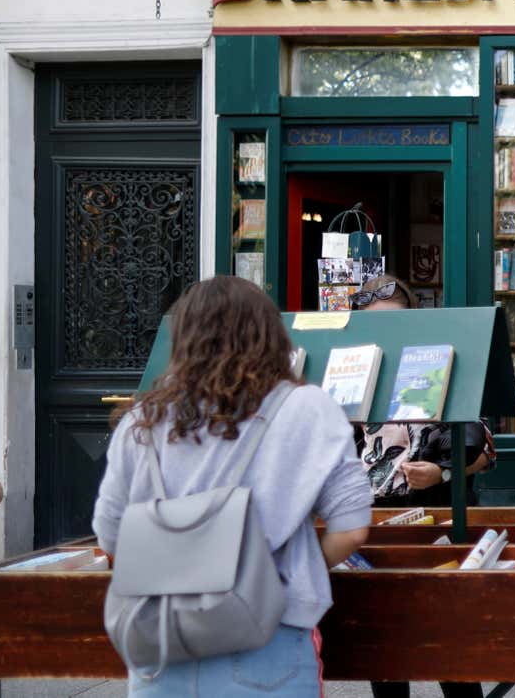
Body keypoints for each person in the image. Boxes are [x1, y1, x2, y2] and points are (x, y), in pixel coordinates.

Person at [92, 276, 372, 697]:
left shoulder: (141, 422)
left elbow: (110, 533)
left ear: (183, 340)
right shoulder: (307, 408)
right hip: (267, 640)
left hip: (162, 647)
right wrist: (271, 573)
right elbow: (351, 530)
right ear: (271, 335)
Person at [351, 274, 494, 698]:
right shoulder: (355, 371)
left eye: (395, 322)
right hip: (374, 517)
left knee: (446, 641)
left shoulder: (436, 364)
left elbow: (486, 450)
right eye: (374, 324)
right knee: (386, 647)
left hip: (434, 514)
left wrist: (443, 473)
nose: (386, 334)